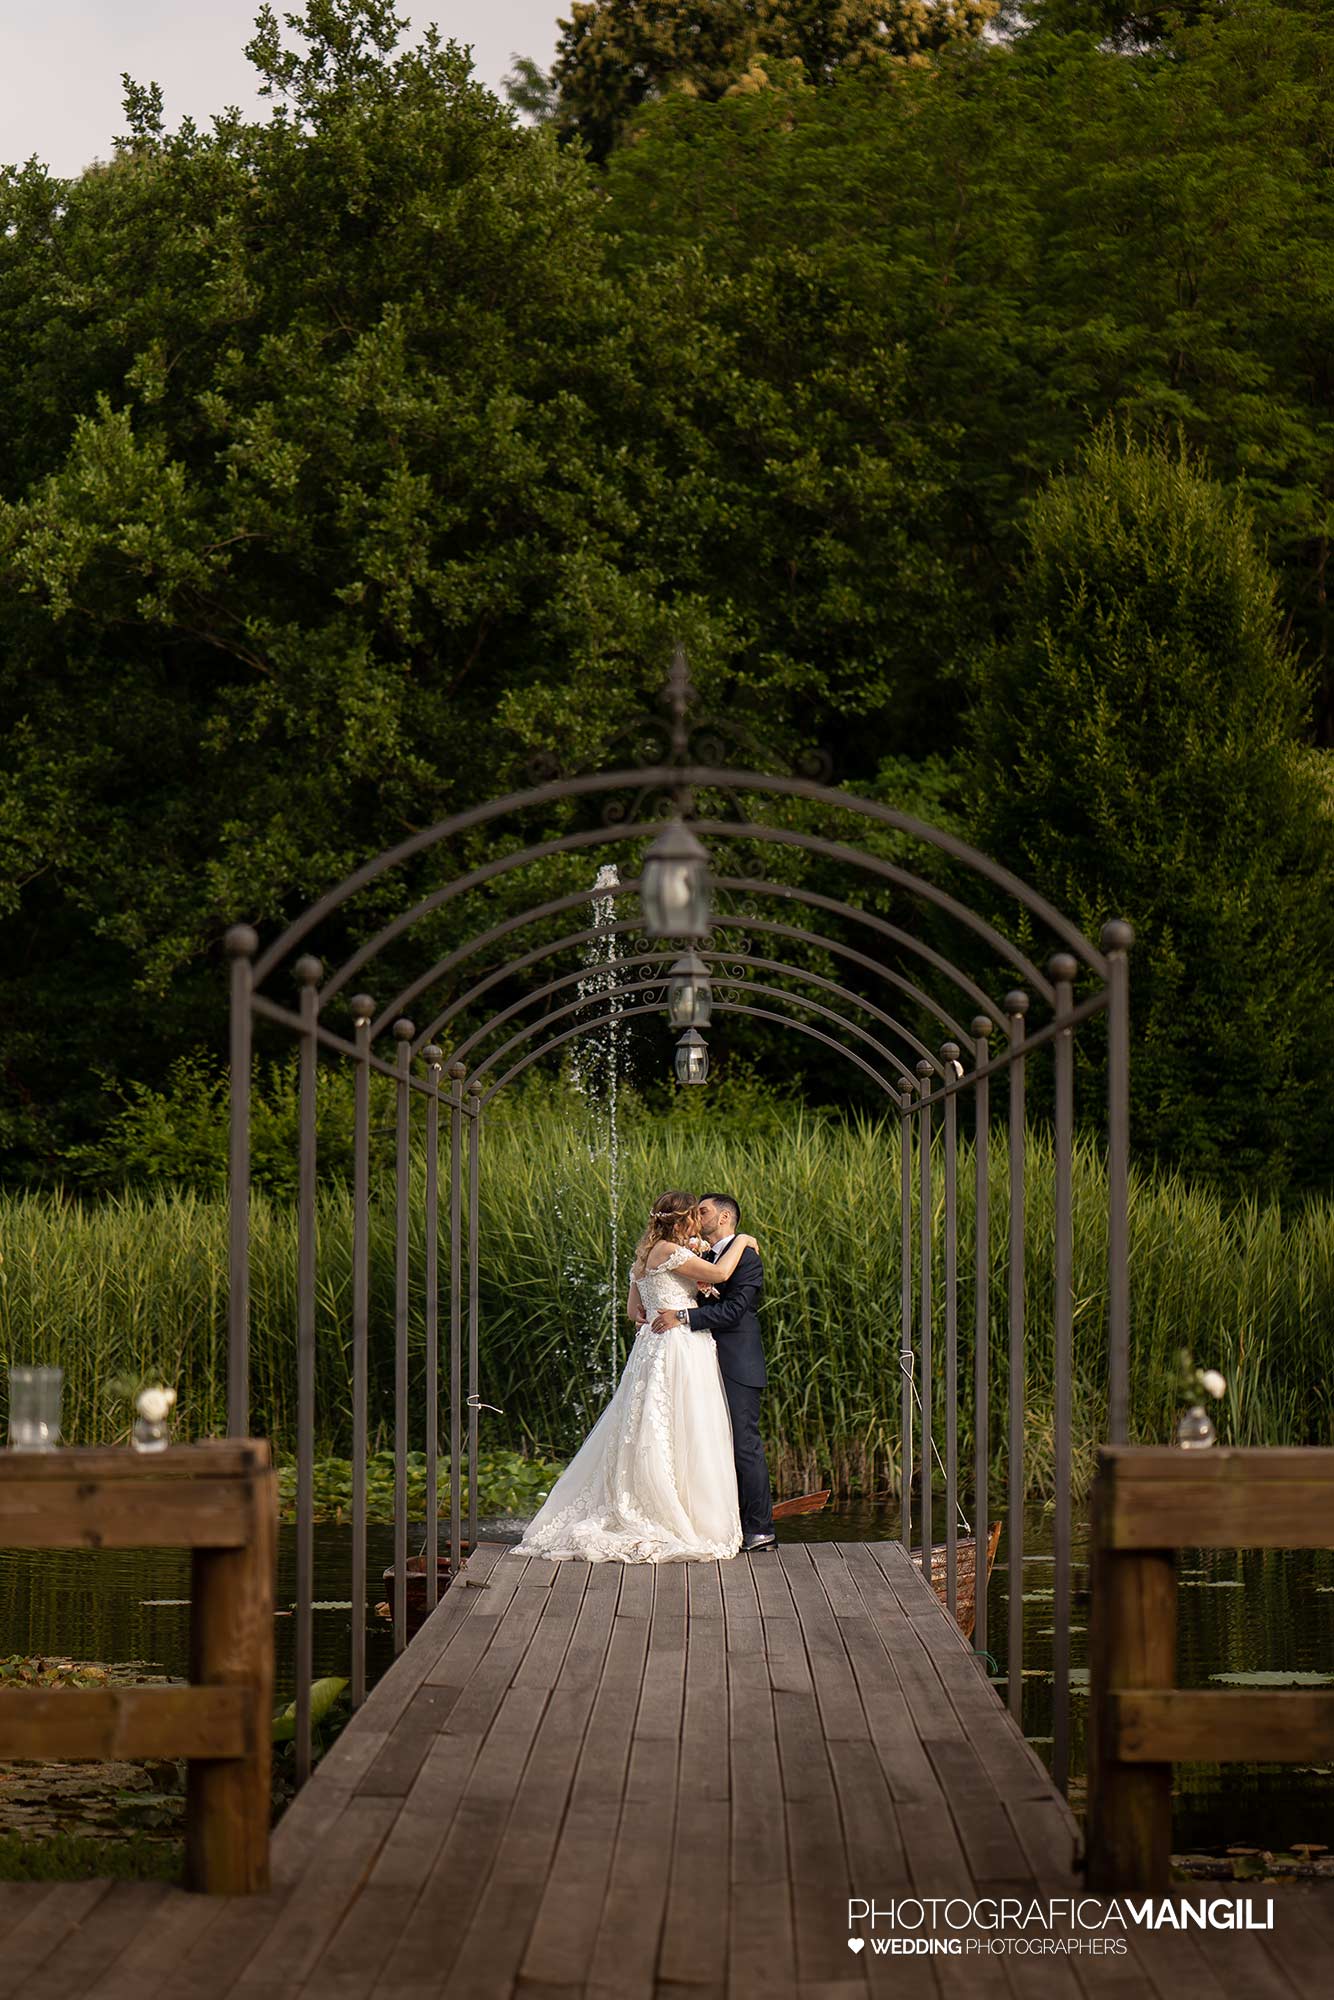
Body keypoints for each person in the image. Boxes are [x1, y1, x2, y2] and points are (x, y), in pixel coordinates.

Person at [514, 1192, 756, 1563]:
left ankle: (662, 1499)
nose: (697, 1223)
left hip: (651, 1347)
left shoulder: (646, 1255)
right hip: (678, 1346)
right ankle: (675, 1511)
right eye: (694, 1215)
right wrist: (743, 1240)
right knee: (685, 1425)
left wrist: (671, 1298)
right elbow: (722, 1274)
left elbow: (633, 1312)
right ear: (682, 1220)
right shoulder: (669, 1253)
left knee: (651, 1423)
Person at [649, 1192, 775, 1552]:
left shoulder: (746, 1256)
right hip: (699, 1362)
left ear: (723, 1218)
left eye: (702, 1210)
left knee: (743, 1445)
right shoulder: (703, 1255)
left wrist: (685, 1316)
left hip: (738, 1363)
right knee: (709, 1444)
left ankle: (760, 1530)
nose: (695, 1215)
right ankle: (721, 1523)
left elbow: (736, 1310)